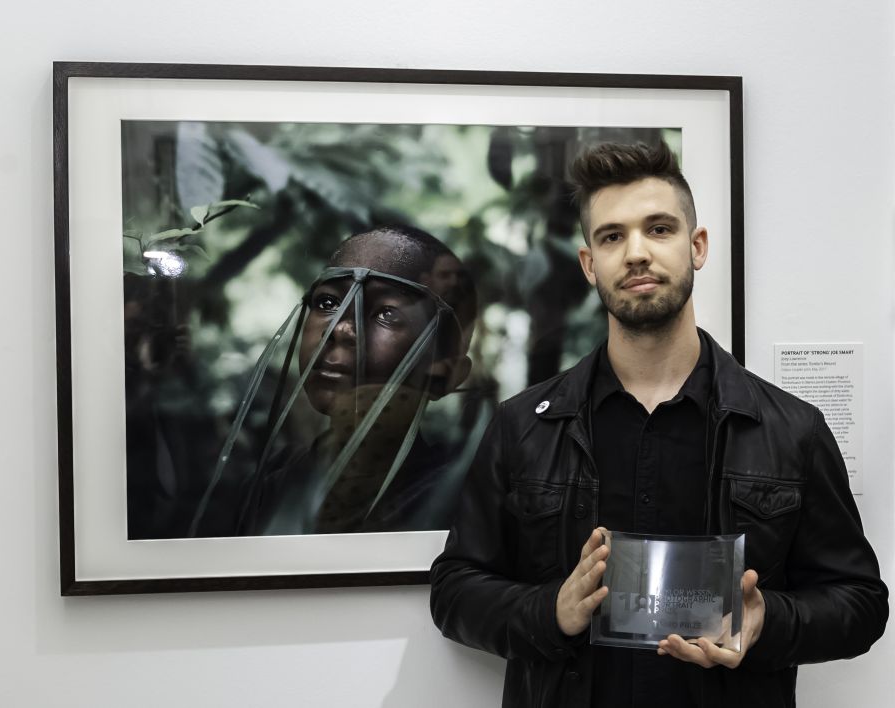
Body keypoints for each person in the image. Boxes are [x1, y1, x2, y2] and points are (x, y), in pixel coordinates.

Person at [429, 141, 888, 707]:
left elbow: (861, 603)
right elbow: (454, 591)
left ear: (697, 247)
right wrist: (550, 611)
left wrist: (768, 619)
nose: (637, 253)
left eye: (660, 229)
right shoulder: (523, 426)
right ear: (589, 263)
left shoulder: (791, 429)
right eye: (613, 236)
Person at [231, 225, 477, 536]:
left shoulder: (463, 500)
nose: (340, 329)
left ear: (445, 375)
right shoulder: (267, 490)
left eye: (387, 313)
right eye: (327, 304)